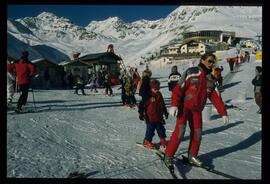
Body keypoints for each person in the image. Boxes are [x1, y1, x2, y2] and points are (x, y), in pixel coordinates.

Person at [162, 52, 229, 170]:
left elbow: (216, 98)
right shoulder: (191, 72)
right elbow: (178, 88)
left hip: (197, 110)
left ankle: (192, 156)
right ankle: (168, 155)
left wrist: (223, 113)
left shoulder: (211, 79)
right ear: (202, 60)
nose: (211, 64)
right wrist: (174, 105)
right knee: (180, 132)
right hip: (184, 107)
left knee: (197, 134)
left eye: (213, 62)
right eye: (209, 61)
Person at [139, 79, 169, 150]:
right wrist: (141, 113)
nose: (156, 90)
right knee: (150, 130)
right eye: (155, 89)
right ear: (151, 88)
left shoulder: (159, 94)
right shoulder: (148, 95)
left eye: (158, 89)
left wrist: (165, 112)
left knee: (161, 129)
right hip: (150, 117)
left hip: (159, 116)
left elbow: (162, 104)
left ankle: (163, 141)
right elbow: (141, 105)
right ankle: (147, 141)